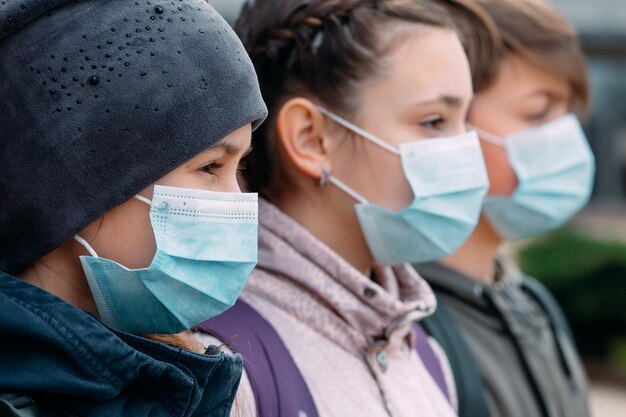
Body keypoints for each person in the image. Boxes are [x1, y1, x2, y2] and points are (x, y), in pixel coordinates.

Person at [196, 1, 499, 416]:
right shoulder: (221, 369)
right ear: (311, 139)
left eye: (466, 120)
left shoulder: (426, 354)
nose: (466, 147)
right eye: (433, 121)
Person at [0, 0, 266, 416]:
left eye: (240, 166)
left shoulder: (194, 380)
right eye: (211, 166)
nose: (237, 203)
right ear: (78, 181)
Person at [416, 0, 594, 416]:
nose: (565, 136)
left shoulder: (531, 303)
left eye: (567, 113)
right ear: (445, 122)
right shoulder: (410, 329)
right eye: (538, 113)